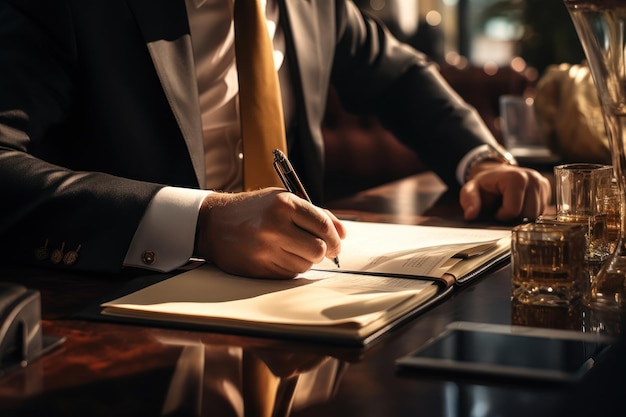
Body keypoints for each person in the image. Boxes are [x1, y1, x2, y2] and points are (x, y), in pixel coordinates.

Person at [0, 0, 551, 279]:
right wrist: (201, 222)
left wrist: (478, 160)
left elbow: (398, 76)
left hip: (301, 299)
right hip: (122, 310)